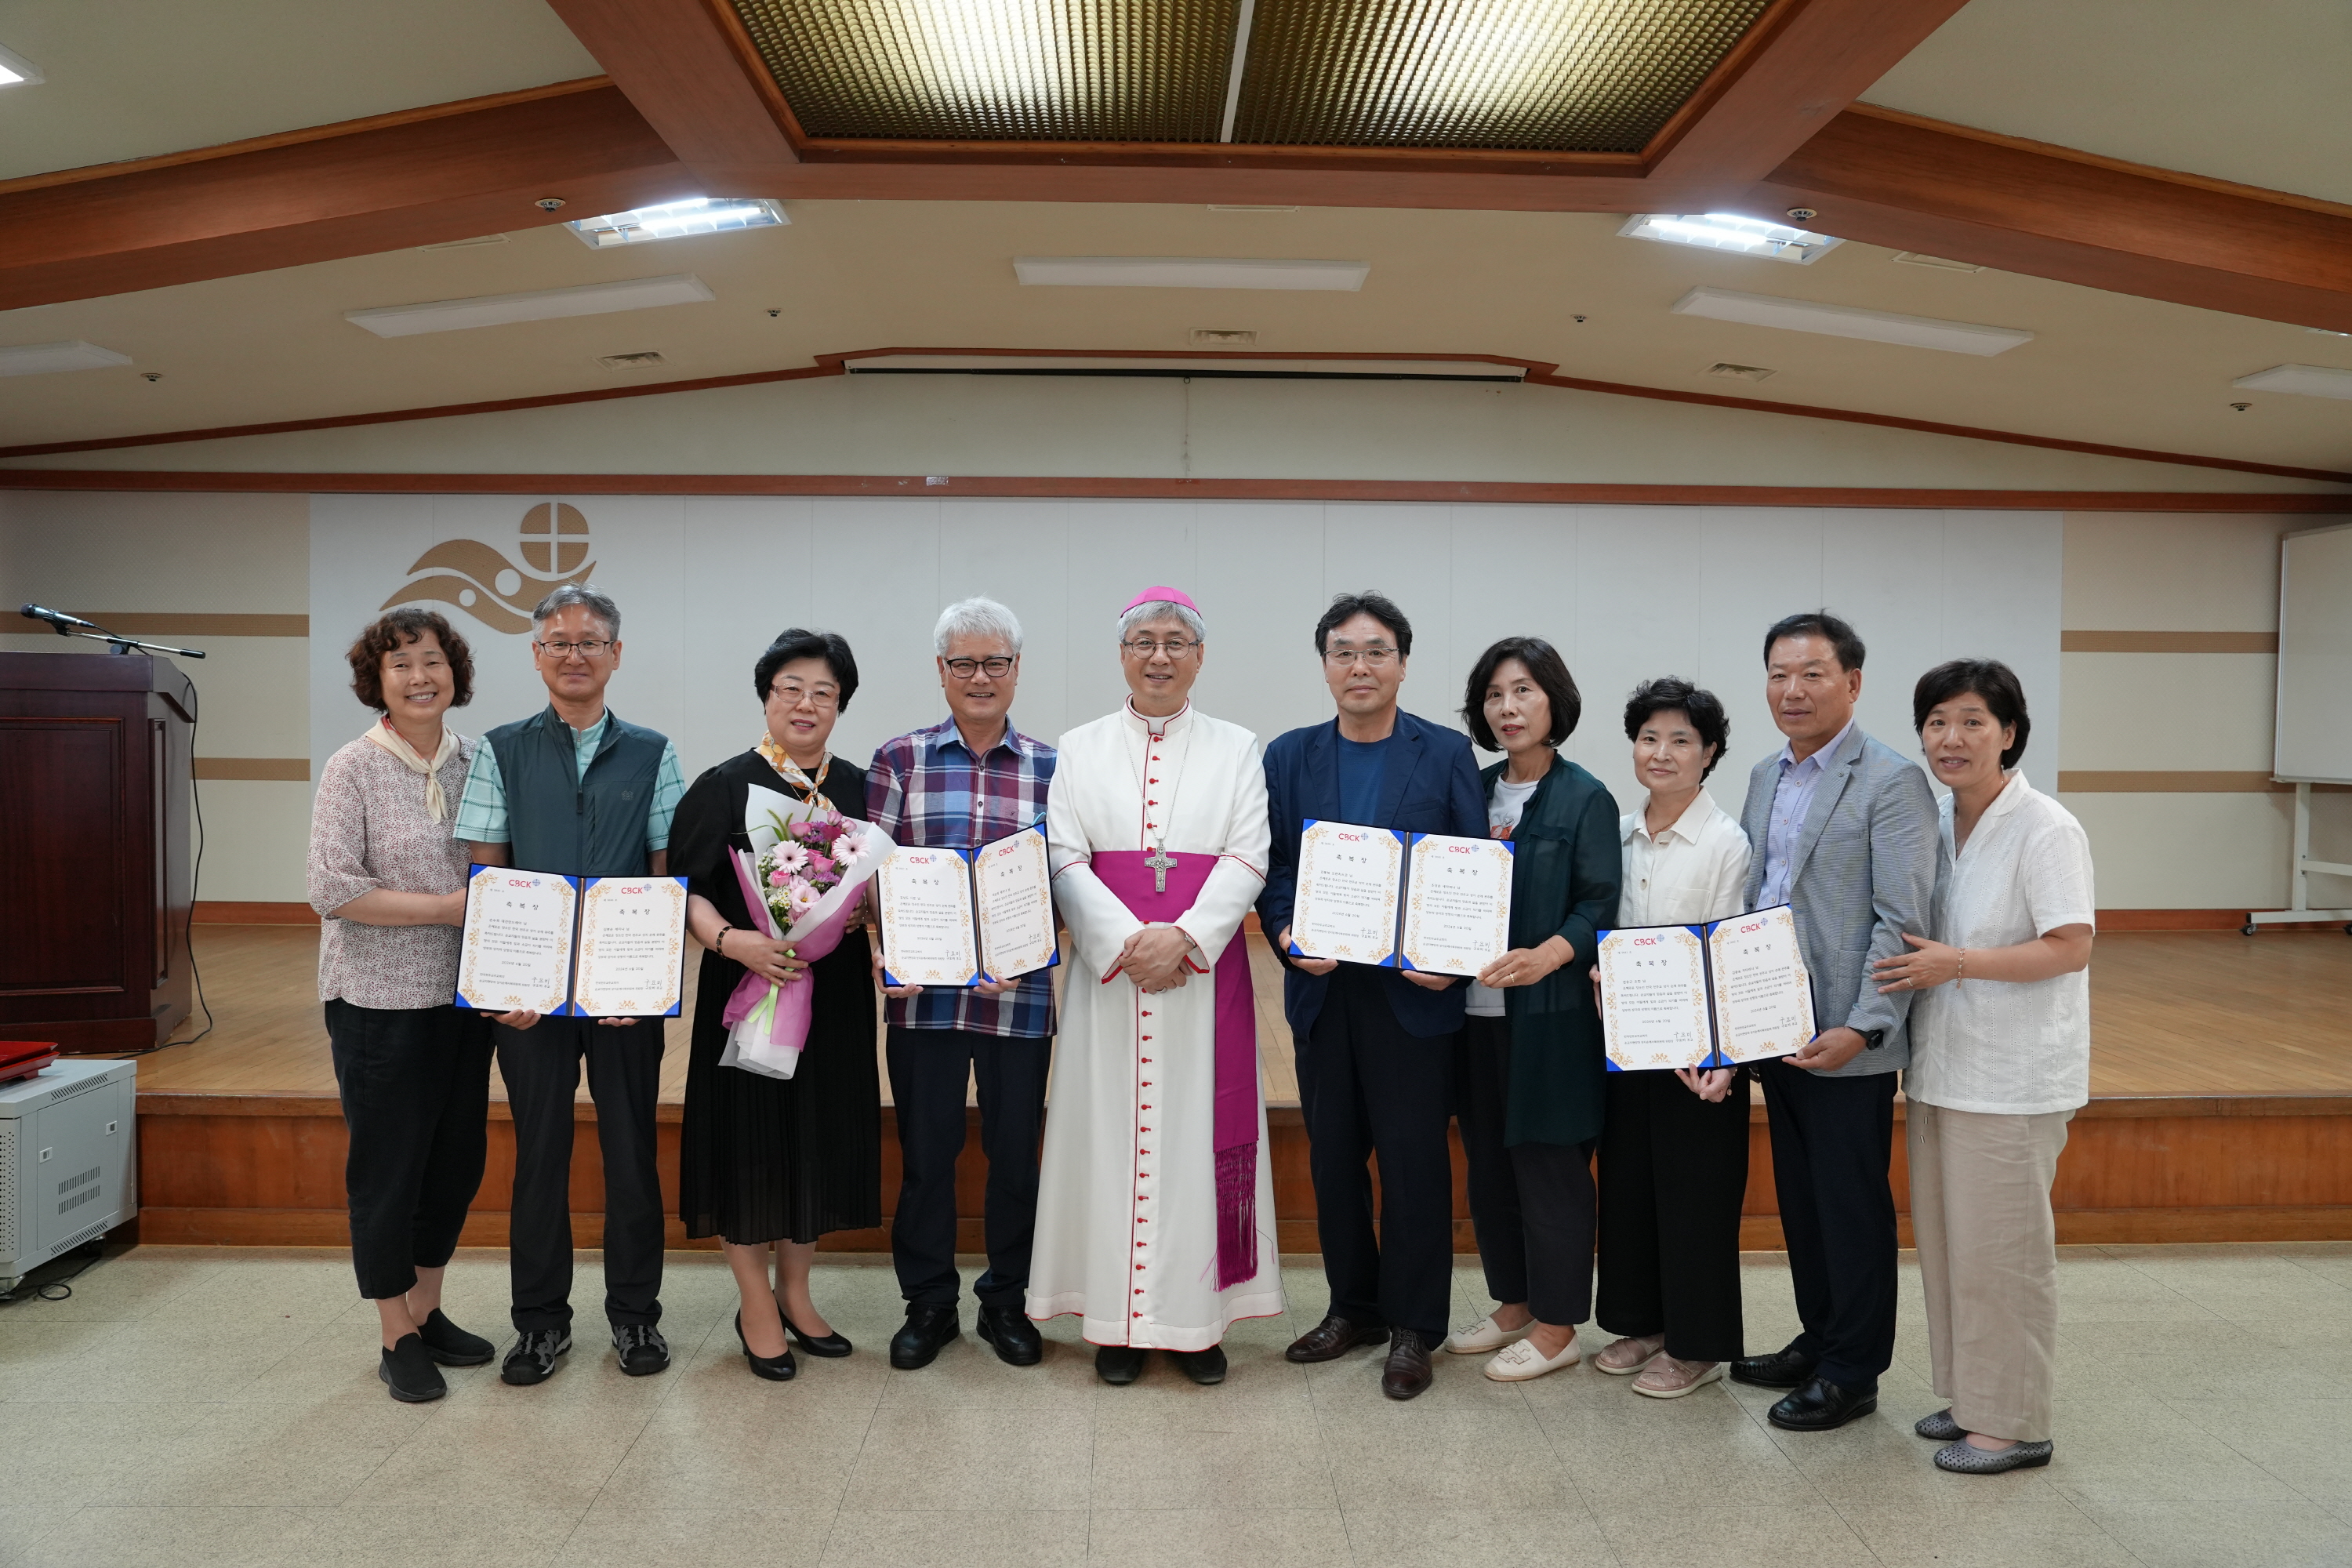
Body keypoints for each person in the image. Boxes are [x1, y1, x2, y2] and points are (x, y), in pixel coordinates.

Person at [1027, 587, 1279, 1385]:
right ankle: (1118, 1323)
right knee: (1110, 1141)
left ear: (1200, 656)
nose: (1160, 654)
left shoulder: (1240, 747)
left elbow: (1249, 855)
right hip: (1112, 981)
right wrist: (1126, 941)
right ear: (1123, 654)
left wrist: (1186, 938)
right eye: (1144, 640)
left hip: (1202, 981)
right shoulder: (1080, 745)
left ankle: (1195, 1324)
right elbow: (1064, 856)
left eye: (1176, 641)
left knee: (1195, 1143)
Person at [453, 584, 687, 1386]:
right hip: (530, 997)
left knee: (631, 1153)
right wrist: (496, 980)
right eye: (558, 642)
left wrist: (646, 982)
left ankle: (636, 1318)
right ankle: (540, 1323)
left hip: (624, 996)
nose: (575, 655)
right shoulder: (501, 748)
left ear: (617, 654)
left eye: (591, 642)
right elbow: (486, 872)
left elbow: (664, 877)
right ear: (536, 655)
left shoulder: (655, 751)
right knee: (539, 1153)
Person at [1259, 590, 1486, 1400]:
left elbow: (1470, 871)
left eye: (1377, 650)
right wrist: (1285, 932)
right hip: (1325, 995)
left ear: (1402, 662)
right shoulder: (1287, 756)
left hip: (1412, 996)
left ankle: (1414, 1325)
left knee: (1415, 1160)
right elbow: (1275, 866)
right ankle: (1351, 1306)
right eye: (1345, 652)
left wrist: (1453, 959)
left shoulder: (1446, 752)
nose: (1361, 666)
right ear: (1325, 665)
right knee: (1333, 1159)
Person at [1874, 659, 2092, 1475]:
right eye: (1936, 721)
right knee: (1953, 1245)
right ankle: (1973, 1398)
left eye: (1972, 720)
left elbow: (2072, 943)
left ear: (2008, 731)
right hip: (1943, 1067)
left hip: (2012, 1074)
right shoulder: (1938, 820)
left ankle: (2013, 1422)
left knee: (2004, 1254)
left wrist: (1959, 963)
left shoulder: (2046, 826)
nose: (1951, 737)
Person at [1728, 611, 1944, 1432]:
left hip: (1844, 1034)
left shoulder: (1891, 781)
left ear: (1852, 682)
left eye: (1812, 673)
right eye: (1780, 673)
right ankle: (1819, 1338)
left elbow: (1902, 919)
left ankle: (1855, 1369)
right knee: (1802, 1199)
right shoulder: (1762, 774)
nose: (1793, 689)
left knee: (1850, 1204)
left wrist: (1865, 1025)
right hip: (1772, 1024)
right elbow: (1757, 899)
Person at [672, 630, 881, 1381]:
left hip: (835, 999)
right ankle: (753, 1300)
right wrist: (735, 943)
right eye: (791, 687)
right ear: (767, 696)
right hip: (750, 990)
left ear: (840, 706)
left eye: (823, 692)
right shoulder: (724, 786)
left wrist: (866, 915)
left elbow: (885, 885)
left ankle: (796, 1292)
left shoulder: (861, 788)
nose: (806, 703)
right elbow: (687, 894)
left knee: (816, 1137)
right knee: (751, 1141)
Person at [307, 609, 497, 1403]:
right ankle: (394, 1330)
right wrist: (450, 908)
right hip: (377, 1001)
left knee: (454, 1162)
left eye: (432, 661)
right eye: (401, 665)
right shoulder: (352, 765)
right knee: (388, 1168)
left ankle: (427, 1306)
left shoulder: (479, 760)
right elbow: (334, 888)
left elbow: (504, 867)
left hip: (464, 997)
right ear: (376, 681)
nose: (420, 677)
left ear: (454, 671)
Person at [865, 597, 1056, 1371]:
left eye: (996, 662)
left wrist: (1044, 933)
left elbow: (1064, 879)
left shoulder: (1052, 766)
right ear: (940, 671)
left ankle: (1006, 1299)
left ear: (1017, 671)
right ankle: (931, 1301)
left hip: (1022, 998)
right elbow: (871, 877)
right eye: (965, 663)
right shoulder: (898, 759)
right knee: (926, 1155)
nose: (981, 677)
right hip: (925, 1002)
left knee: (1016, 1157)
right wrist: (889, 945)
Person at [1442, 638, 1620, 1384]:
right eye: (1493, 695)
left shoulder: (1586, 797)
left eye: (1523, 692)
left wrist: (1552, 953)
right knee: (1489, 1166)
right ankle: (1513, 1302)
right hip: (1472, 1015)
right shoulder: (1471, 790)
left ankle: (1557, 1325)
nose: (1508, 708)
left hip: (1549, 1018)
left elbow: (1601, 904)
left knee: (1550, 1168)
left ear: (1555, 701)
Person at [1590, 678, 1755, 1398]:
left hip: (1700, 1053)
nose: (1662, 753)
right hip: (1627, 1043)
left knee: (1697, 1196)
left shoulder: (1726, 843)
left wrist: (1723, 1057)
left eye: (1682, 740)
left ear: (1709, 753)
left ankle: (1697, 1343)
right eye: (1649, 737)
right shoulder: (1620, 834)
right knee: (1630, 1187)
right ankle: (1645, 1322)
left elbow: (1736, 950)